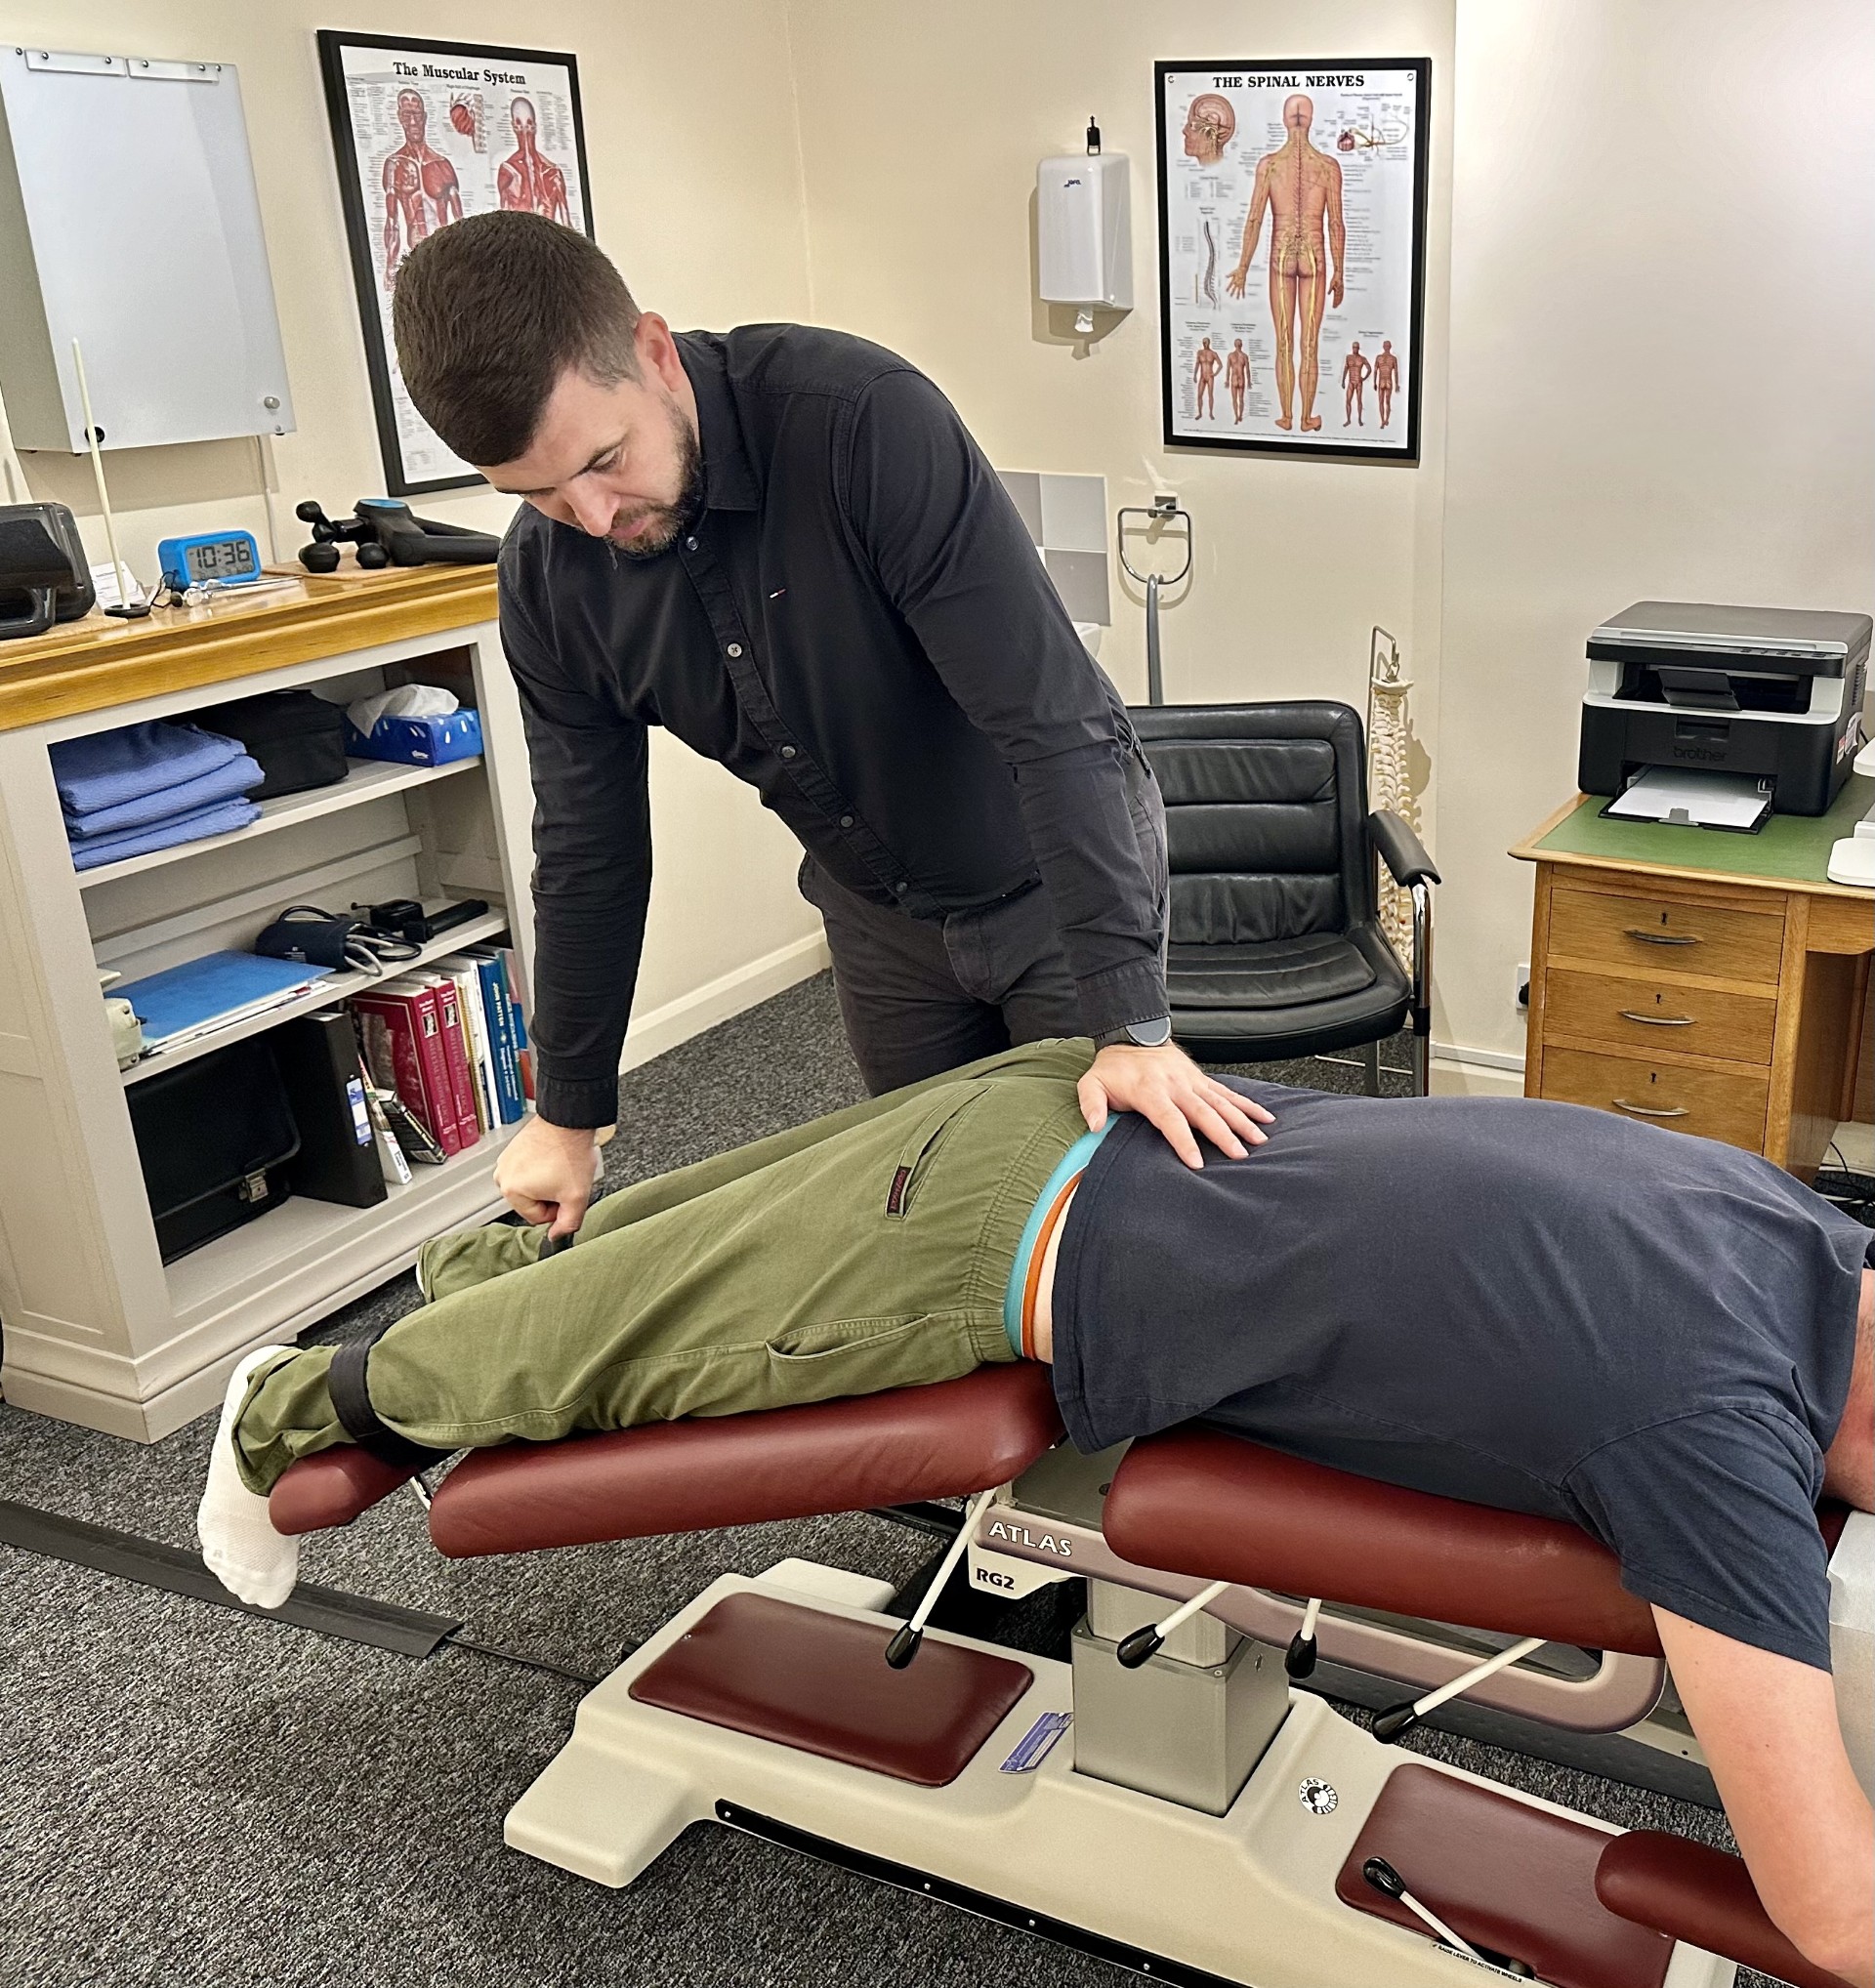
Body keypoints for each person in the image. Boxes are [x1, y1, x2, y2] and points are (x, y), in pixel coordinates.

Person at [197, 1041, 1873, 1983]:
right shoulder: (1716, 1438)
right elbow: (1833, 1917)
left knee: (652, 1261)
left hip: (1054, 1100)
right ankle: (290, 1403)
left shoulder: (1785, 1219)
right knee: (609, 1357)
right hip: (976, 1249)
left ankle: (470, 1275)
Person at [389, 213, 1265, 1242]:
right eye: (535, 493)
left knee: (1102, 1213)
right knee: (935, 1213)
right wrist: (567, 1111)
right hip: (878, 913)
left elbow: (1053, 724)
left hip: (1050, 880)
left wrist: (1131, 1024)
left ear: (655, 353)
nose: (591, 517)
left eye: (606, 459)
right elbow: (588, 846)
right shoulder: (548, 580)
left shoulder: (862, 423)